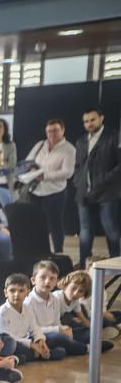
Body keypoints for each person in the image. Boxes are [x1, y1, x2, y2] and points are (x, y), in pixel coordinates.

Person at [73, 108, 121, 266]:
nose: (89, 124)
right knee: (85, 232)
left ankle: (116, 261)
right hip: (84, 193)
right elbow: (78, 166)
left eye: (92, 120)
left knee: (111, 230)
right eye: (86, 121)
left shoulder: (114, 137)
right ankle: (82, 262)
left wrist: (104, 181)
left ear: (101, 118)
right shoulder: (81, 141)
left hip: (107, 193)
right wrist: (78, 182)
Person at [23, 119, 76, 255]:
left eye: (55, 130)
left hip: (55, 192)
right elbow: (28, 161)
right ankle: (38, 251)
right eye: (49, 131)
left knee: (55, 225)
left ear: (63, 130)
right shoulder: (40, 144)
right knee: (35, 223)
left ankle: (58, 252)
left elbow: (68, 172)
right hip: (35, 191)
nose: (52, 134)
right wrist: (32, 169)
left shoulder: (69, 149)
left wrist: (44, 176)